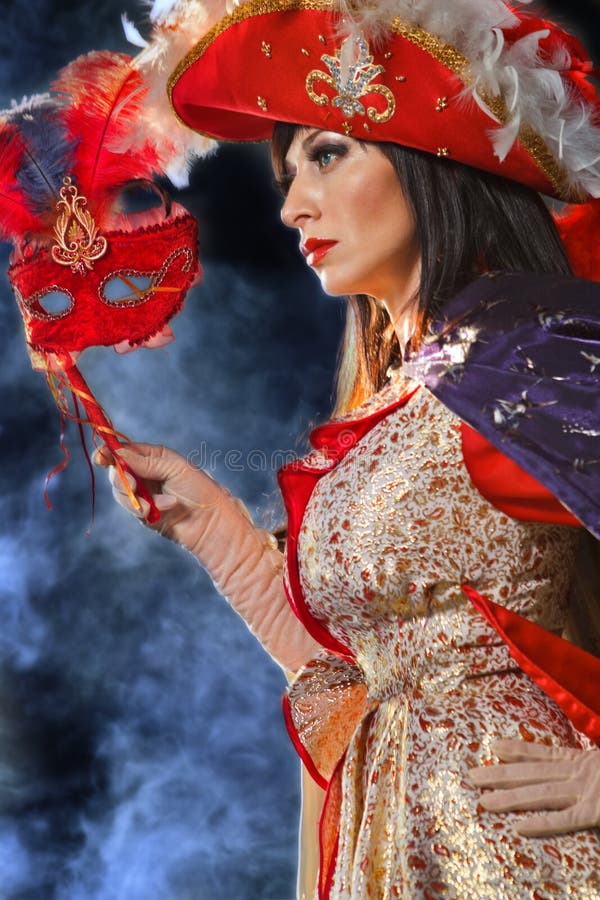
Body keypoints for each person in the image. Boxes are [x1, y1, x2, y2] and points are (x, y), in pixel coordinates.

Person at [96, 0, 600, 896]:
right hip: (394, 852)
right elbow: (370, 681)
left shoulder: (532, 350)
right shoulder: (400, 393)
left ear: (430, 159)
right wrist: (218, 532)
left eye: (328, 154)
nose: (292, 206)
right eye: (290, 171)